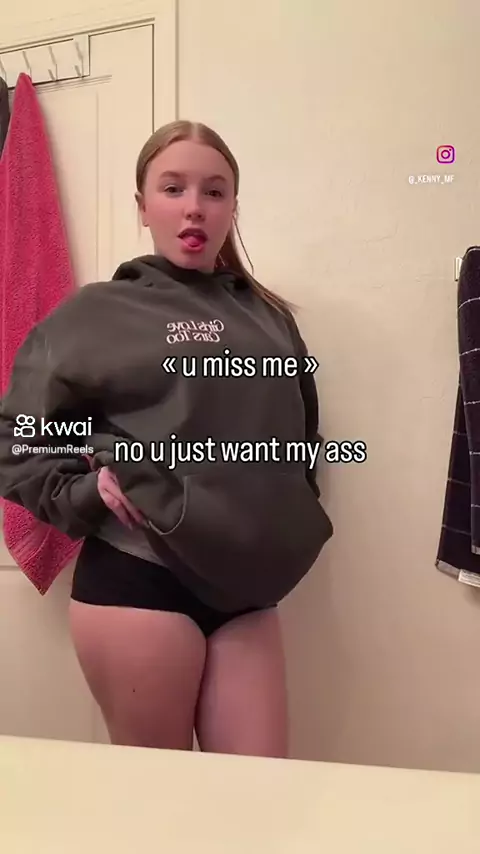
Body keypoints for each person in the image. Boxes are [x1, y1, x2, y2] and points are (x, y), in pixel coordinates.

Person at [0, 120, 333, 756]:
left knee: (262, 795)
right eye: (173, 188)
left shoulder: (270, 319)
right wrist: (85, 490)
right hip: (139, 578)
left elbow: (303, 433)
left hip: (249, 591)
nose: (194, 207)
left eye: (214, 191)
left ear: (233, 206)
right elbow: (20, 439)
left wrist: (293, 509)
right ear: (143, 204)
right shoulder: (93, 315)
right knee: (158, 801)